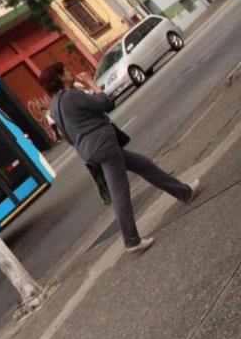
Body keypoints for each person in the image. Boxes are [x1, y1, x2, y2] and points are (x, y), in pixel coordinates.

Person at [40, 62, 200, 254]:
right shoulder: (72, 96)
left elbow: (66, 136)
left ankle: (184, 193)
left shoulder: (55, 105)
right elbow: (106, 103)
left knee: (144, 166)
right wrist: (93, 84)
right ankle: (131, 240)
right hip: (103, 145)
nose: (69, 71)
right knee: (119, 192)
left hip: (90, 150)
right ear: (59, 78)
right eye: (65, 71)